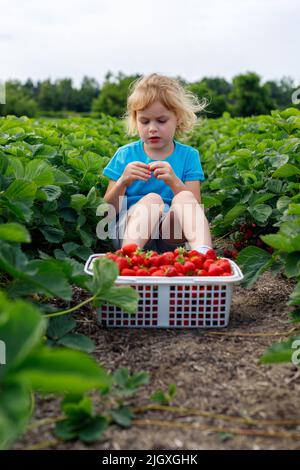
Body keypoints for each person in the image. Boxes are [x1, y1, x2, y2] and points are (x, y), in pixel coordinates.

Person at [102, 73, 213, 255]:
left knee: (184, 199)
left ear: (177, 118)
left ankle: (203, 253)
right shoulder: (125, 155)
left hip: (169, 237)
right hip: (129, 231)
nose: (152, 128)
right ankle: (128, 256)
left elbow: (195, 206)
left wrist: (174, 182)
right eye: (144, 121)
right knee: (153, 200)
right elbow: (107, 213)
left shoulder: (188, 156)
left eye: (161, 121)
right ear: (135, 119)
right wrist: (122, 182)